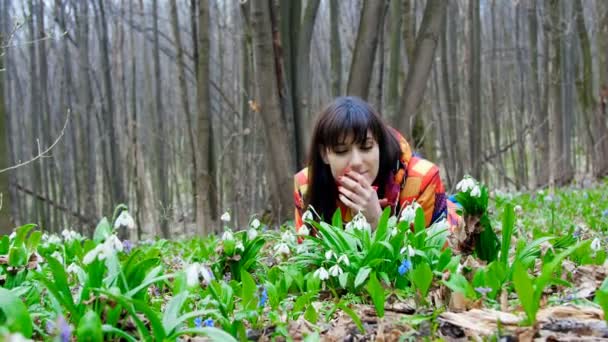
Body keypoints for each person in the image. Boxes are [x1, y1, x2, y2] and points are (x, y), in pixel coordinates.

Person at [294, 96, 459, 233]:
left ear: (379, 144)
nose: (357, 162)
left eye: (366, 147)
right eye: (341, 151)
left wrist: (376, 222)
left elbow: (430, 262)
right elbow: (307, 261)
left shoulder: (423, 180)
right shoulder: (305, 185)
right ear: (324, 154)